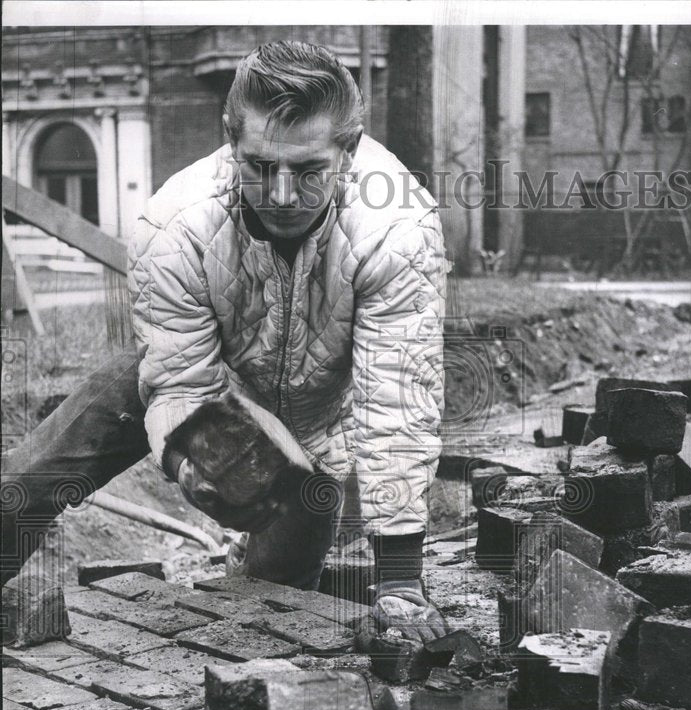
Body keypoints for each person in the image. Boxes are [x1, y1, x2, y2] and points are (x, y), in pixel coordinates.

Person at [1, 40, 449, 642]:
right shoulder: (174, 222)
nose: (284, 195)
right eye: (261, 166)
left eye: (309, 171)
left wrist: (399, 585)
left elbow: (398, 404)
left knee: (273, 609)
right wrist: (191, 459)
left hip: (315, 428)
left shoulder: (399, 230)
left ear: (349, 152)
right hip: (200, 374)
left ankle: (249, 570)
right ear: (230, 140)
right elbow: (182, 378)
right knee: (38, 471)